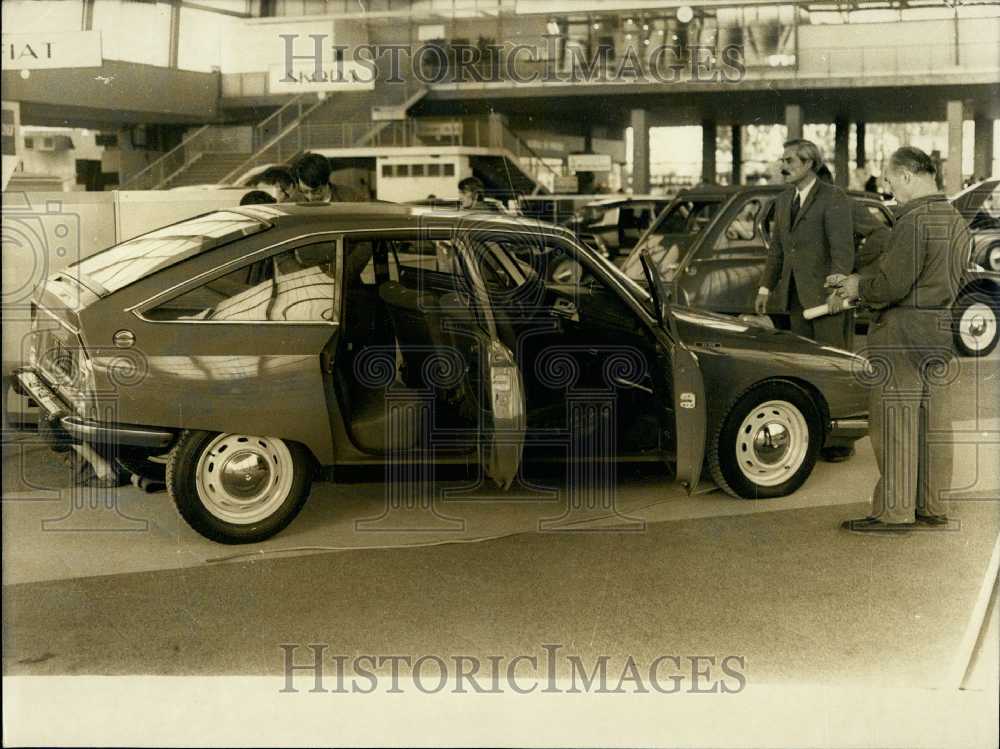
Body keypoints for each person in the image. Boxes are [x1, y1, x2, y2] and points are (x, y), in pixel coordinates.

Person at [834, 146, 970, 533]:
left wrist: (856, 285)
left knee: (895, 420)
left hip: (902, 330)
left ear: (908, 176)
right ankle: (932, 505)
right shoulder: (956, 219)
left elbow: (891, 285)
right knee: (934, 421)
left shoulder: (913, 221)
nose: (890, 188)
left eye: (891, 181)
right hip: (939, 327)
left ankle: (894, 513)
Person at [755, 139, 855, 349]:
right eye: (782, 161)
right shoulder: (783, 200)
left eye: (789, 161)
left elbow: (842, 250)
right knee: (804, 360)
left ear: (809, 163)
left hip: (826, 300)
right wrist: (765, 289)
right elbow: (777, 250)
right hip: (795, 300)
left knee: (831, 361)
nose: (783, 167)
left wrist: (838, 292)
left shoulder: (833, 196)